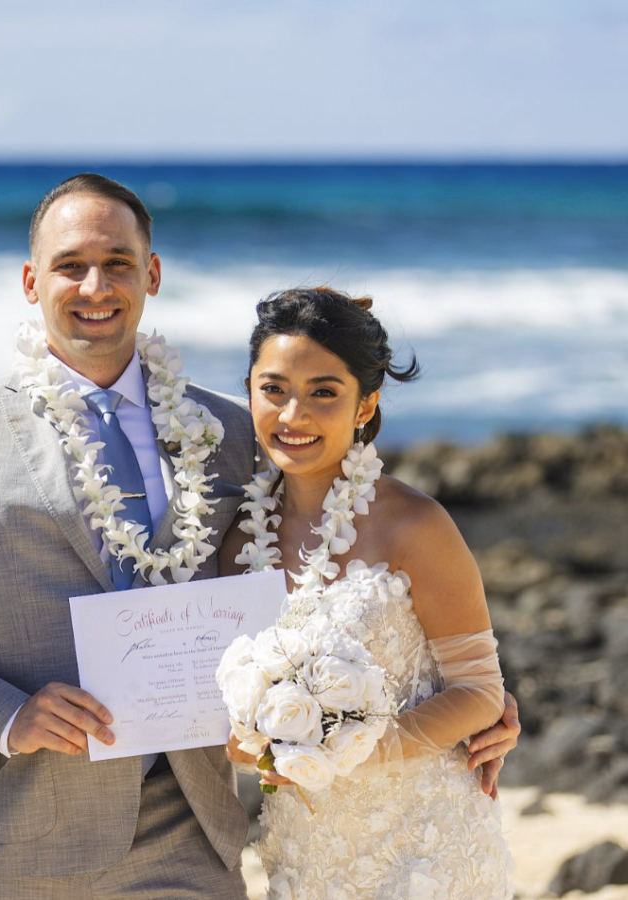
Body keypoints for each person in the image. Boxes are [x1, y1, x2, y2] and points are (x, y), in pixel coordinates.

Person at [0, 175, 518, 899]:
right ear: (30, 280)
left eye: (118, 262)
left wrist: (471, 701)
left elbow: (330, 542)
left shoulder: (237, 432)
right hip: (16, 835)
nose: (95, 284)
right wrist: (7, 715)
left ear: (153, 274)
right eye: (71, 264)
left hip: (190, 834)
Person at [219, 286, 513, 899]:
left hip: (425, 843)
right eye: (273, 389)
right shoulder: (237, 543)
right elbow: (235, 722)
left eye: (323, 392)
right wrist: (255, 746)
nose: (293, 415)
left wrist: (355, 751)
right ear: (249, 391)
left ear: (365, 404)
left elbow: (481, 690)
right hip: (304, 847)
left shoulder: (416, 525)